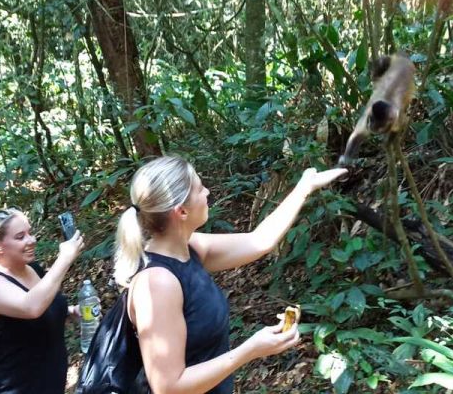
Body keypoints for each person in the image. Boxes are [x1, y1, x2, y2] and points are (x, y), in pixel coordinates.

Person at [114, 156, 347, 393]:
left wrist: (304, 187)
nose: (207, 191)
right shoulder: (157, 284)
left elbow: (259, 240)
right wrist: (249, 350)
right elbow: (168, 387)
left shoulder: (190, 248)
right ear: (181, 211)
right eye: (199, 188)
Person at [0, 208, 85, 393]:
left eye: (30, 233)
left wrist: (70, 311)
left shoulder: (32, 269)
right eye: (20, 236)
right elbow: (30, 307)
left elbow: (42, 305)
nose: (31, 240)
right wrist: (64, 259)